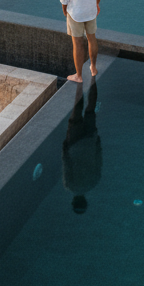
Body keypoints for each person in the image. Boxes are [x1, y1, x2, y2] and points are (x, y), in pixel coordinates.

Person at [62, 79, 102, 214]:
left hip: (90, 142)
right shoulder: (69, 186)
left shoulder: (93, 183)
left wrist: (97, 142)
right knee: (77, 112)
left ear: (85, 200)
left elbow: (99, 160)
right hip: (74, 145)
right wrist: (65, 147)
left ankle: (92, 81)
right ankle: (80, 85)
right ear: (74, 201)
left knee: (91, 110)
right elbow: (66, 163)